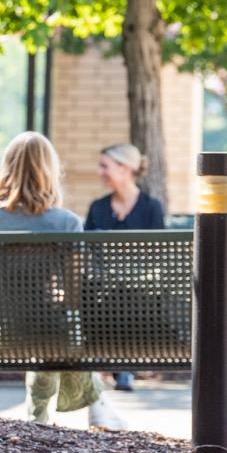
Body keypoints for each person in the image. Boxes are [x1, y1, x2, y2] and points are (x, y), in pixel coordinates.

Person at [0, 132, 126, 430]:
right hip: (50, 337)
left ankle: (42, 418)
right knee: (51, 332)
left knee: (41, 333)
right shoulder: (66, 222)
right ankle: (91, 405)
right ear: (50, 172)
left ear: (6, 169)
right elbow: (75, 298)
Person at [84, 143, 166, 392]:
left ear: (125, 169)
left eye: (105, 166)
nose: (100, 172)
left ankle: (123, 367)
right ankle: (123, 368)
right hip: (103, 288)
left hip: (140, 289)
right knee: (96, 291)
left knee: (128, 294)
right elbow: (87, 251)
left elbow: (158, 257)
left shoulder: (151, 207)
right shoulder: (98, 207)